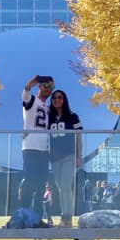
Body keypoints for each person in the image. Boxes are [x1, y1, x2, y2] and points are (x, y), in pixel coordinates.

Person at [46, 87, 83, 227]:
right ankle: (65, 218)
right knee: (60, 188)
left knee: (66, 185)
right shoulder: (48, 117)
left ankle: (67, 217)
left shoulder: (73, 116)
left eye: (60, 97)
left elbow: (78, 136)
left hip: (69, 155)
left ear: (64, 99)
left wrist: (79, 156)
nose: (57, 100)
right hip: (55, 158)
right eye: (54, 97)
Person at [19, 74, 53, 213]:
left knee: (41, 184)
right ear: (40, 86)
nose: (48, 89)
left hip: (44, 150)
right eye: (46, 85)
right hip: (31, 147)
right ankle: (23, 213)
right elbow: (25, 96)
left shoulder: (48, 108)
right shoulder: (33, 100)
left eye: (51, 87)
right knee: (29, 181)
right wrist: (29, 85)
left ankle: (37, 216)